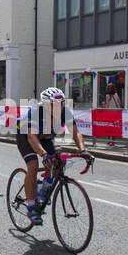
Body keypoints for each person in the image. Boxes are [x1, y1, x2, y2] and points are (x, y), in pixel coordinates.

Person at [17, 87, 90, 225]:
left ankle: (43, 190)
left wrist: (83, 150)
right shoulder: (36, 112)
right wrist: (44, 154)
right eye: (55, 104)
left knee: (59, 162)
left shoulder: (64, 112)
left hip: (45, 137)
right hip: (26, 136)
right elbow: (31, 137)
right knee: (33, 165)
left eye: (62, 103)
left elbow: (76, 133)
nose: (60, 107)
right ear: (45, 104)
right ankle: (31, 206)